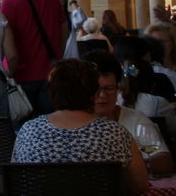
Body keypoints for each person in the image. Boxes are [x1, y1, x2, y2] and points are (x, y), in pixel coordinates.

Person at [10, 59, 149, 195]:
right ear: (94, 93)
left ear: (52, 92)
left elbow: (15, 182)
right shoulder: (115, 133)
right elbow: (140, 185)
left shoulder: (28, 131)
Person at [85, 51, 175, 176]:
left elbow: (165, 162)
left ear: (118, 89)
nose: (102, 95)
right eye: (95, 89)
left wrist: (128, 169)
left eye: (109, 89)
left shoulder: (135, 119)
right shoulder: (70, 123)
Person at [0, 0, 65, 113]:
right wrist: (58, 55)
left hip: (23, 76)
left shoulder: (9, 3)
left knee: (23, 130)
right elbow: (64, 28)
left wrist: (9, 72)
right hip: (52, 73)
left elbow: (6, 47)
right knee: (52, 127)